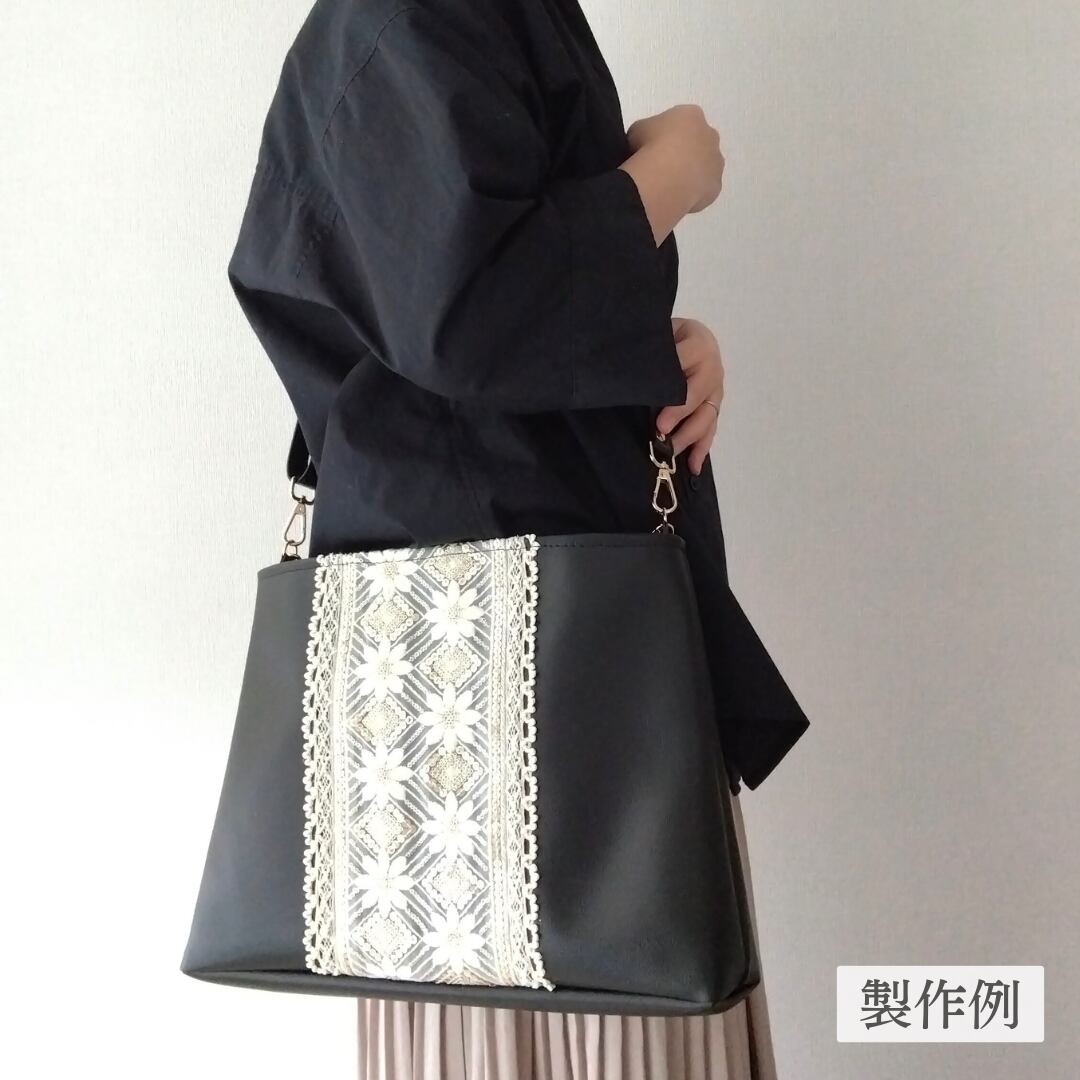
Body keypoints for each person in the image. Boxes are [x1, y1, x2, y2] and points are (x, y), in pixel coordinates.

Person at [226, 1, 810, 1075]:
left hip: (548, 679)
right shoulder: (409, 16)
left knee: (620, 971)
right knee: (591, 998)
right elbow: (472, 305)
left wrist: (667, 349)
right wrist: (668, 177)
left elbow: (456, 323)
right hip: (515, 715)